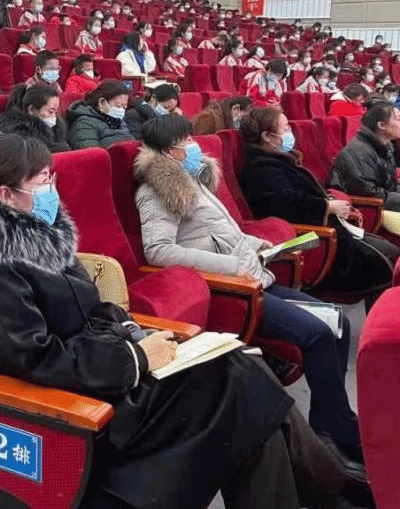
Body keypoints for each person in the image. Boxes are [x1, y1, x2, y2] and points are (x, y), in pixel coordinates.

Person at [0, 133, 350, 509]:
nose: (53, 190)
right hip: (86, 403)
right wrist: (136, 357)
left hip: (111, 371)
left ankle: (332, 488)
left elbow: (92, 309)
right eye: (42, 182)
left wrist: (135, 331)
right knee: (240, 381)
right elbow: (36, 360)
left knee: (245, 386)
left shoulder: (39, 238)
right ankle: (334, 488)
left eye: (52, 178)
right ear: (6, 195)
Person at [134, 115, 364, 467]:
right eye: (187, 142)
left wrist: (260, 245)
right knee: (318, 333)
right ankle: (341, 430)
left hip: (255, 275)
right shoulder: (157, 190)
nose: (195, 146)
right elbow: (159, 251)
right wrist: (229, 266)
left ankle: (328, 425)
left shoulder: (194, 178)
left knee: (339, 324)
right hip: (231, 291)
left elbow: (224, 232)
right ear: (169, 152)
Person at [238, 107, 399, 300]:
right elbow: (286, 205)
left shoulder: (279, 160)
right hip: (313, 239)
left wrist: (329, 201)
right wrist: (327, 206)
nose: (291, 133)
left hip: (331, 229)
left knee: (390, 251)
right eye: (286, 128)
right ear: (267, 137)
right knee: (384, 262)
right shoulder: (261, 168)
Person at [328, 101, 400, 217]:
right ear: (381, 125)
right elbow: (368, 193)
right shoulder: (358, 152)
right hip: (366, 210)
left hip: (383, 205)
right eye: (398, 119)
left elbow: (390, 186)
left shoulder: (386, 147)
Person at [66, 79, 135, 149]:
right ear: (102, 103)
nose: (121, 110)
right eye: (118, 106)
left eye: (124, 107)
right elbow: (91, 152)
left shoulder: (118, 120)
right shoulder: (84, 123)